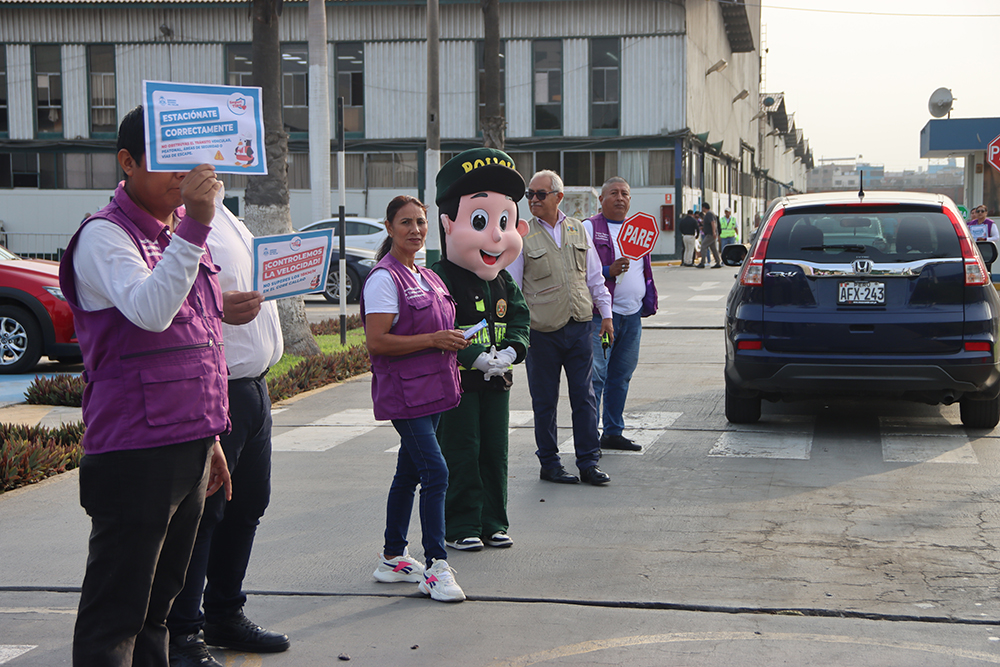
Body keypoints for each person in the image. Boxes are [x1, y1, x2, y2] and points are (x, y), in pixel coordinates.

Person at [59, 105, 233, 667]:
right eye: (168, 162)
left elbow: (196, 340)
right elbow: (151, 312)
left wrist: (209, 439)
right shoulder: (105, 236)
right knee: (117, 617)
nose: (184, 175)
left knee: (158, 610)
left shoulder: (175, 233)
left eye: (191, 161)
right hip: (135, 451)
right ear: (127, 162)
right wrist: (197, 226)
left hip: (186, 443)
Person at [166, 191, 289, 666]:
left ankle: (223, 612)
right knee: (205, 514)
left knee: (248, 506)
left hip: (253, 387)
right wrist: (217, 305)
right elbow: (167, 299)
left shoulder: (227, 214)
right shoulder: (179, 217)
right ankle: (182, 631)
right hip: (216, 388)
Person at [361, 195, 467, 603]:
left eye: (421, 222)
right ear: (389, 228)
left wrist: (453, 338)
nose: (415, 230)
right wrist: (433, 339)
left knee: (409, 473)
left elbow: (437, 328)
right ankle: (436, 566)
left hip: (434, 391)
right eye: (405, 222)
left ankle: (392, 557)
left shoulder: (427, 276)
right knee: (436, 473)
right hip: (405, 394)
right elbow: (377, 341)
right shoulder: (384, 279)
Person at [431, 147, 531, 552]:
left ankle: (493, 521)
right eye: (480, 221)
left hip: (496, 383)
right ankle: (460, 525)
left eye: (505, 222)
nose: (496, 235)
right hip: (457, 387)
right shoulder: (440, 277)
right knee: (461, 452)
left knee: (495, 452)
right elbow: (438, 326)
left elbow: (520, 321)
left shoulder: (503, 281)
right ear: (447, 224)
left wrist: (510, 353)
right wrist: (473, 357)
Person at [507, 169, 613, 486]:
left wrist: (606, 314)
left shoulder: (578, 229)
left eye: (540, 194)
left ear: (558, 197)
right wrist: (517, 331)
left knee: (585, 396)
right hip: (541, 332)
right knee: (545, 401)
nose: (533, 200)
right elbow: (513, 288)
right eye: (530, 195)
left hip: (579, 326)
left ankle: (588, 462)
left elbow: (594, 278)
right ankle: (550, 463)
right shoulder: (522, 235)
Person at [583, 177, 658, 452]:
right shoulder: (590, 228)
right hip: (603, 318)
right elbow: (577, 268)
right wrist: (607, 271)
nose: (620, 198)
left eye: (625, 193)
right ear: (601, 199)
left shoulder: (638, 229)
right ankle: (589, 437)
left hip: (632, 316)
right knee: (597, 377)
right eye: (613, 193)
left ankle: (613, 432)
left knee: (621, 376)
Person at [697, 203, 721, 268]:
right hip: (711, 234)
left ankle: (702, 262)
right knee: (713, 248)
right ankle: (718, 261)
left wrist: (713, 232)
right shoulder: (710, 213)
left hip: (710, 234)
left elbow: (713, 223)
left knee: (703, 246)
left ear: (704, 207)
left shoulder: (709, 214)